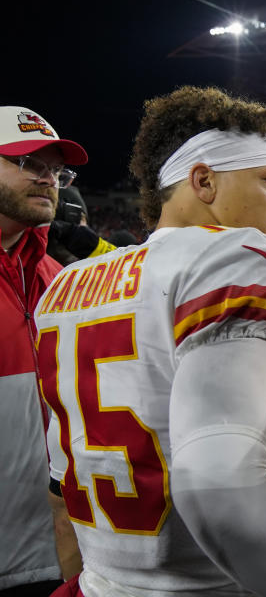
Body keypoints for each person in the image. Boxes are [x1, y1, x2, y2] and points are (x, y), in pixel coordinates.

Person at [35, 86, 266, 597]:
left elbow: (59, 482)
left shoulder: (67, 284)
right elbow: (220, 484)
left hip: (98, 584)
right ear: (203, 180)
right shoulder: (235, 256)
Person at [0, 105, 85, 594]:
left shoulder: (59, 280)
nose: (48, 178)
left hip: (59, 551)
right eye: (29, 162)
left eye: (56, 169)